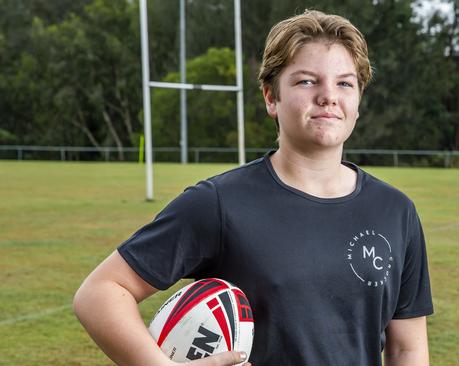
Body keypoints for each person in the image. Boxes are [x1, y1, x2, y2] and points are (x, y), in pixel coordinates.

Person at [74, 9, 433, 365]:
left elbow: (406, 348)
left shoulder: (395, 211)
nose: (328, 96)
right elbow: (100, 293)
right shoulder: (219, 203)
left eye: (344, 83)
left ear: (358, 100)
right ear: (270, 98)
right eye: (307, 81)